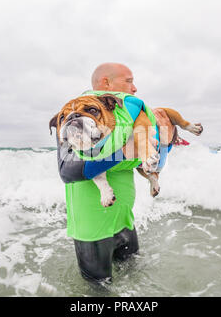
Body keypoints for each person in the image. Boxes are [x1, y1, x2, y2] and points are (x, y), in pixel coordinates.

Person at [55, 63, 176, 283]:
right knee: (99, 289)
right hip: (93, 228)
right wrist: (126, 151)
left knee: (134, 278)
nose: (135, 88)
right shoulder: (74, 115)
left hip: (125, 220)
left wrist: (166, 144)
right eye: (129, 81)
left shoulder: (126, 117)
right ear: (106, 83)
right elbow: (67, 171)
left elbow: (153, 166)